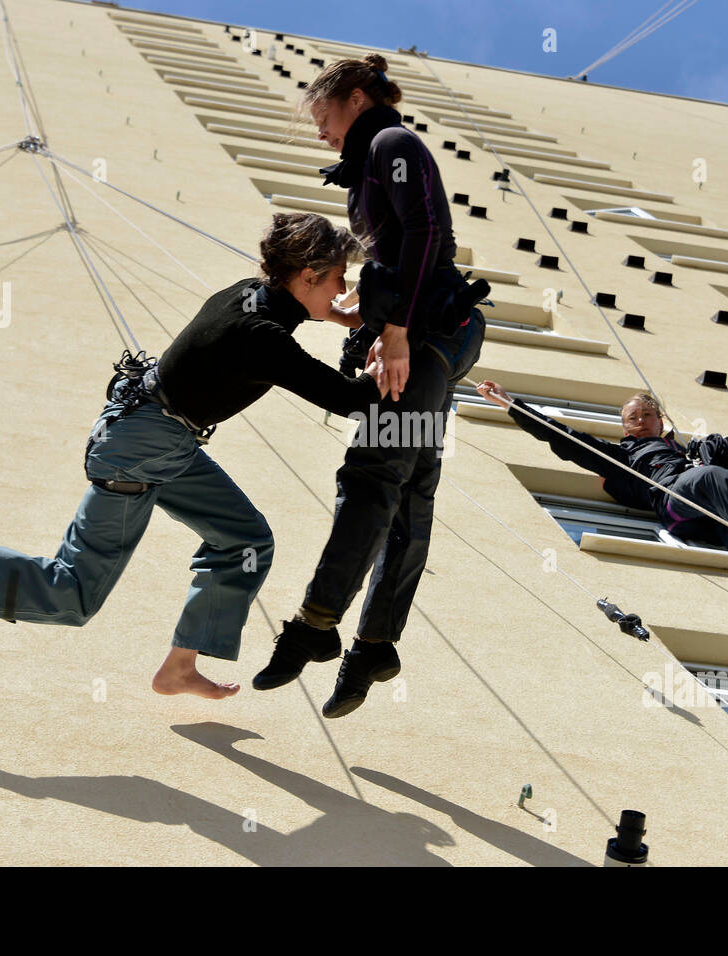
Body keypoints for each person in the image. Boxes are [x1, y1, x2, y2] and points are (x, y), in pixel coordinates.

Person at [0, 213, 383, 700]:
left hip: (158, 438)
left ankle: (179, 666)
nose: (344, 290)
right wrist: (400, 354)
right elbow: (349, 399)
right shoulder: (264, 336)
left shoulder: (247, 295)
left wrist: (334, 318)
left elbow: (281, 333)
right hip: (141, 451)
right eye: (339, 277)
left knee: (245, 538)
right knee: (70, 594)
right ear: (309, 275)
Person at [252, 54, 485, 718]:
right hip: (435, 337)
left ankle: (315, 625)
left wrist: (399, 332)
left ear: (354, 99)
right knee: (409, 485)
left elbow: (426, 233)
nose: (322, 134)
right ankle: (375, 644)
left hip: (434, 335)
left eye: (322, 117)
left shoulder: (391, 141)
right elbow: (399, 254)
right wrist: (368, 313)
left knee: (376, 470)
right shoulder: (374, 157)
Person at [475, 381, 728, 553]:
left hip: (704, 517)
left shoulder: (688, 455)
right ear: (625, 427)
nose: (641, 420)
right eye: (633, 417)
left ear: (661, 421)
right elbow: (569, 439)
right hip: (673, 505)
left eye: (647, 414)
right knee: (710, 477)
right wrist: (511, 404)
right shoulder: (628, 456)